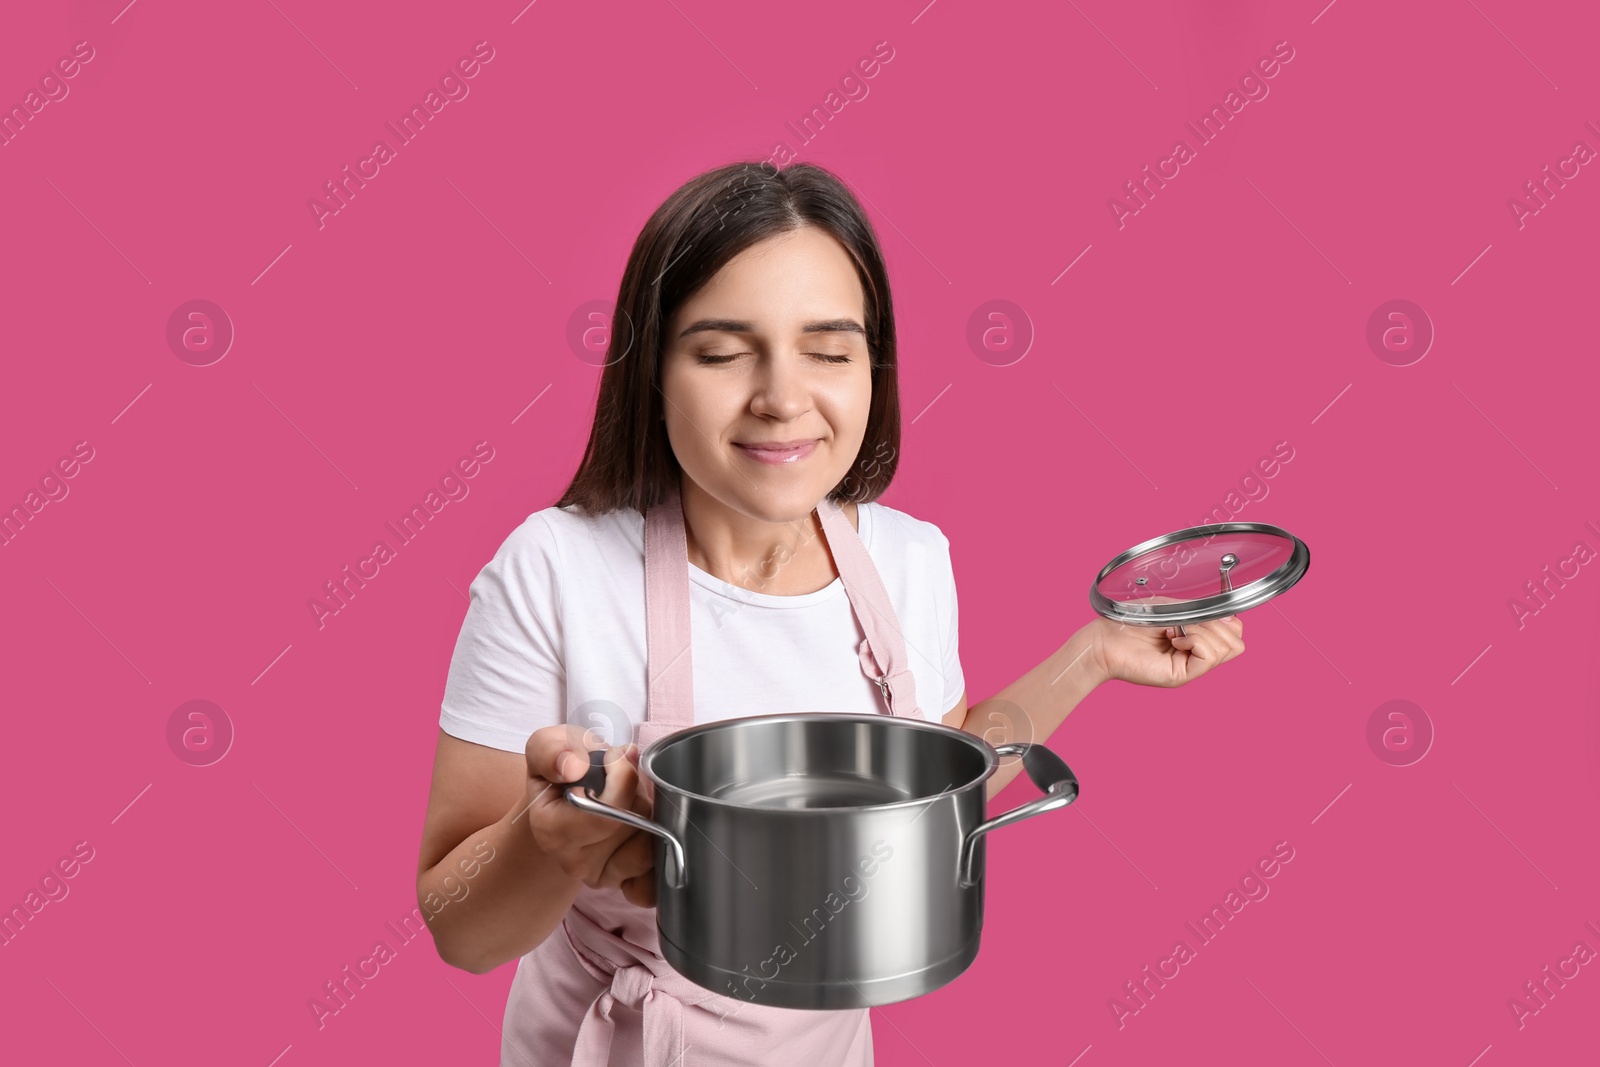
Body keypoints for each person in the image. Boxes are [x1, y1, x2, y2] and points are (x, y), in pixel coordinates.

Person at [414, 160, 1246, 1066]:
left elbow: (932, 777)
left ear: (873, 369)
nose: (781, 396)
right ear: (652, 370)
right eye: (724, 351)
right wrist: (550, 837)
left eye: (829, 350)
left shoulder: (909, 561)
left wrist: (1093, 655)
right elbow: (462, 932)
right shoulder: (554, 569)